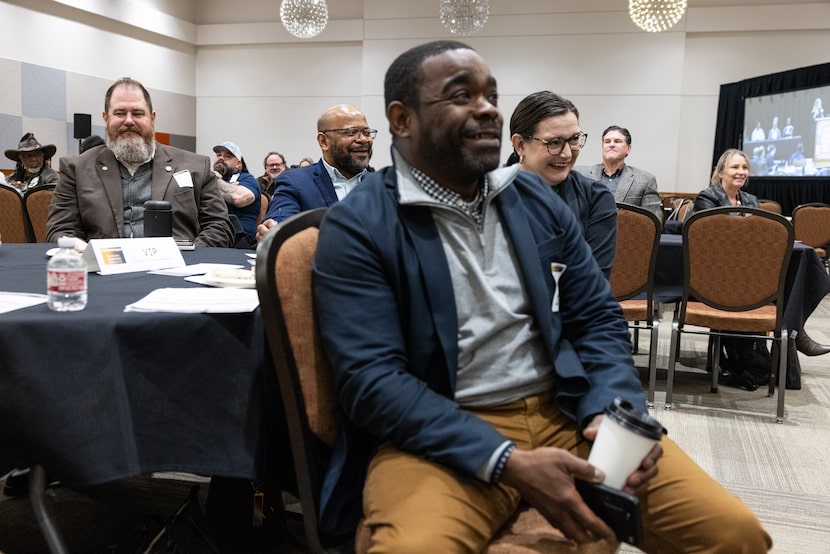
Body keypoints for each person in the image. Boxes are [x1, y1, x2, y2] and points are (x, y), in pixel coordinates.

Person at [312, 40, 771, 553]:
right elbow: (370, 381)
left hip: (568, 412)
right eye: (462, 96)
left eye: (491, 94)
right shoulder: (358, 225)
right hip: (441, 435)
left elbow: (597, 317)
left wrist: (612, 409)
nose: (487, 109)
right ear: (402, 119)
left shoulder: (532, 198)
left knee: (735, 535)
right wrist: (505, 458)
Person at [47, 77, 234, 247]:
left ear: (152, 118)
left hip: (177, 273)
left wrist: (189, 259)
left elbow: (218, 227)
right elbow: (60, 231)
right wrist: (89, 257)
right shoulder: (76, 169)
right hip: (104, 274)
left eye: (137, 113)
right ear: (105, 118)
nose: (129, 121)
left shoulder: (195, 166)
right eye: (120, 113)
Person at [507, 92, 616, 277]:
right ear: (520, 145)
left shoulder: (596, 198)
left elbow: (594, 281)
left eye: (574, 139)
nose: (566, 154)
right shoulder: (487, 194)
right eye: (554, 142)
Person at [255, 104, 375, 239]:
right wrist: (274, 231)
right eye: (351, 132)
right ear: (324, 141)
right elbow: (281, 224)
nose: (363, 139)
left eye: (367, 133)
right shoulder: (296, 182)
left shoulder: (384, 186)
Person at [575, 125, 662, 221]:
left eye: (617, 141)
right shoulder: (579, 174)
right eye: (607, 141)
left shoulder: (645, 180)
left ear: (628, 149)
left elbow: (653, 222)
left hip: (625, 234)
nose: (611, 144)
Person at [212, 141, 261, 247]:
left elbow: (239, 199)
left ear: (238, 164)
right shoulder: (209, 179)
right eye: (218, 155)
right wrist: (229, 188)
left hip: (239, 237)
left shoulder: (247, 179)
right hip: (214, 231)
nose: (221, 158)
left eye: (228, 156)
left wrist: (217, 181)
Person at [693, 149, 759, 212]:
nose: (741, 172)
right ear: (721, 173)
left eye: (745, 167)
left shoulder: (752, 201)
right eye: (735, 167)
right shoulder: (707, 198)